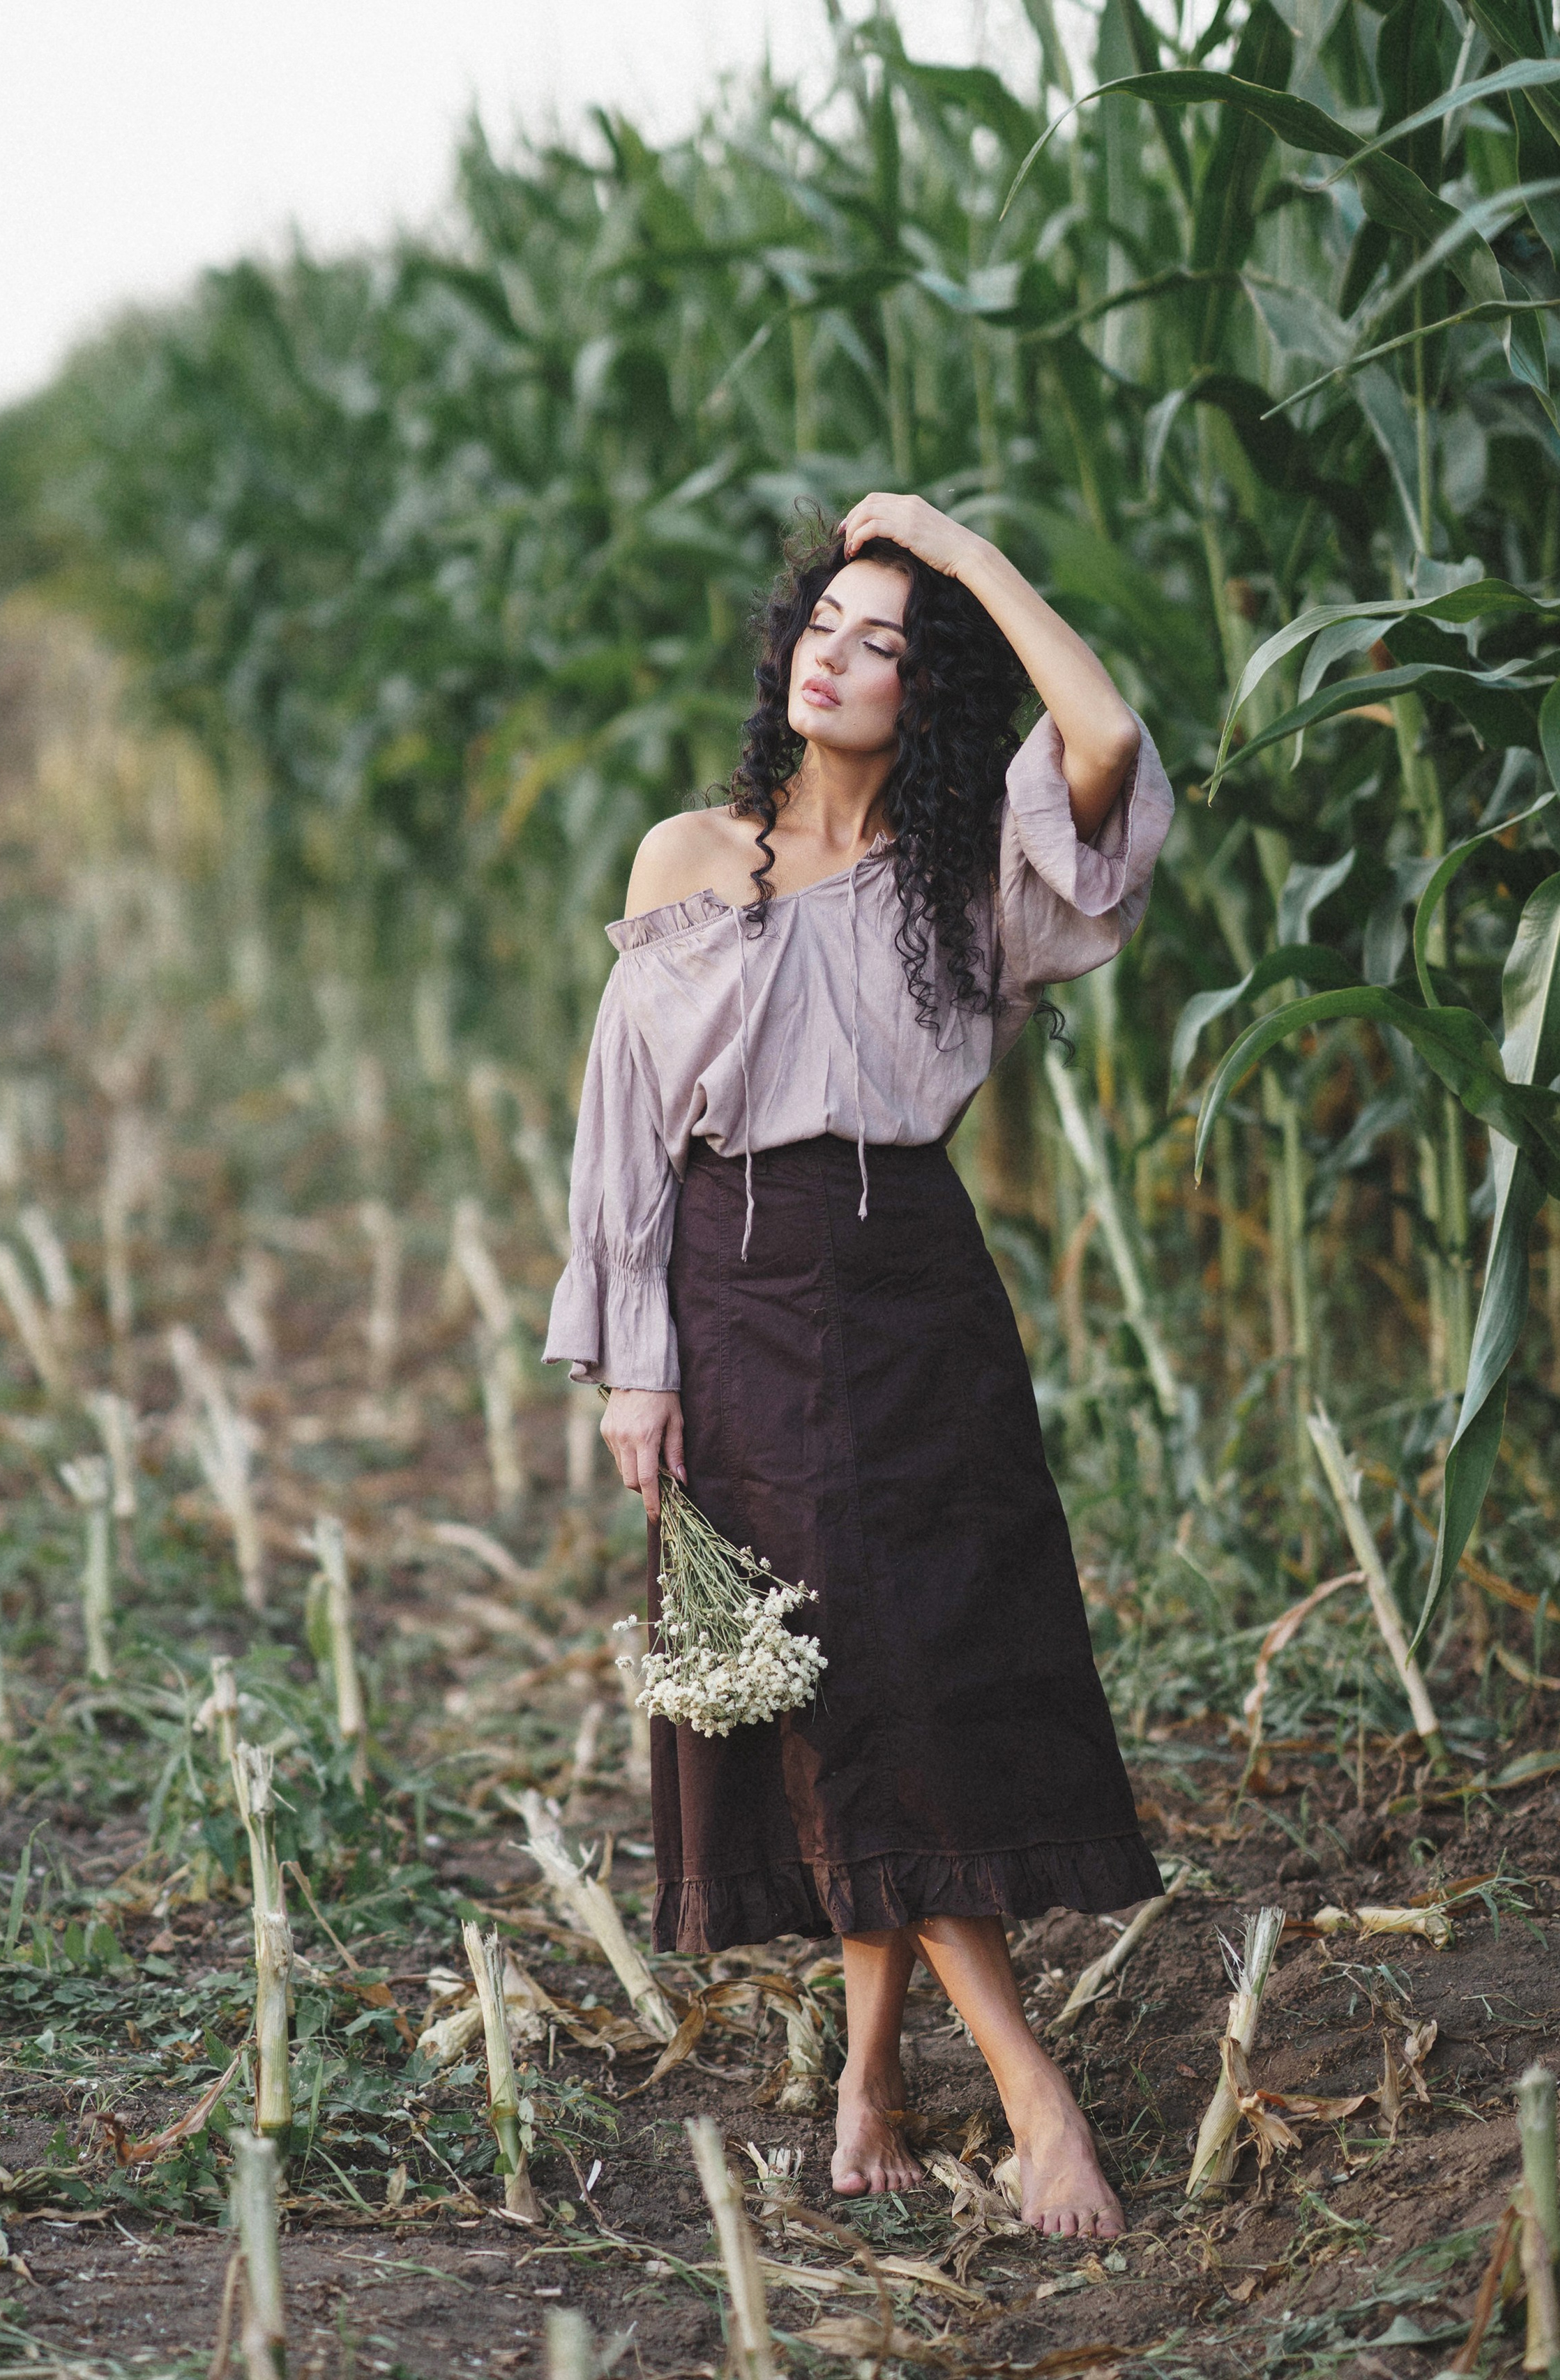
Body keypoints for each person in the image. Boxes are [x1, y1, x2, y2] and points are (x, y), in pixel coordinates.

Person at [544, 492, 1173, 2237]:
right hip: (735, 1288)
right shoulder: (684, 856)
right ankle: (1031, 2094)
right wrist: (632, 1366)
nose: (840, 654)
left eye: (888, 642)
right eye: (826, 621)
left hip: (911, 1285)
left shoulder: (969, 864)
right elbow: (622, 1134)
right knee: (836, 1684)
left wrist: (956, 550)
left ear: (933, 687)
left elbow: (1103, 731)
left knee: (910, 1665)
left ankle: (871, 2070)